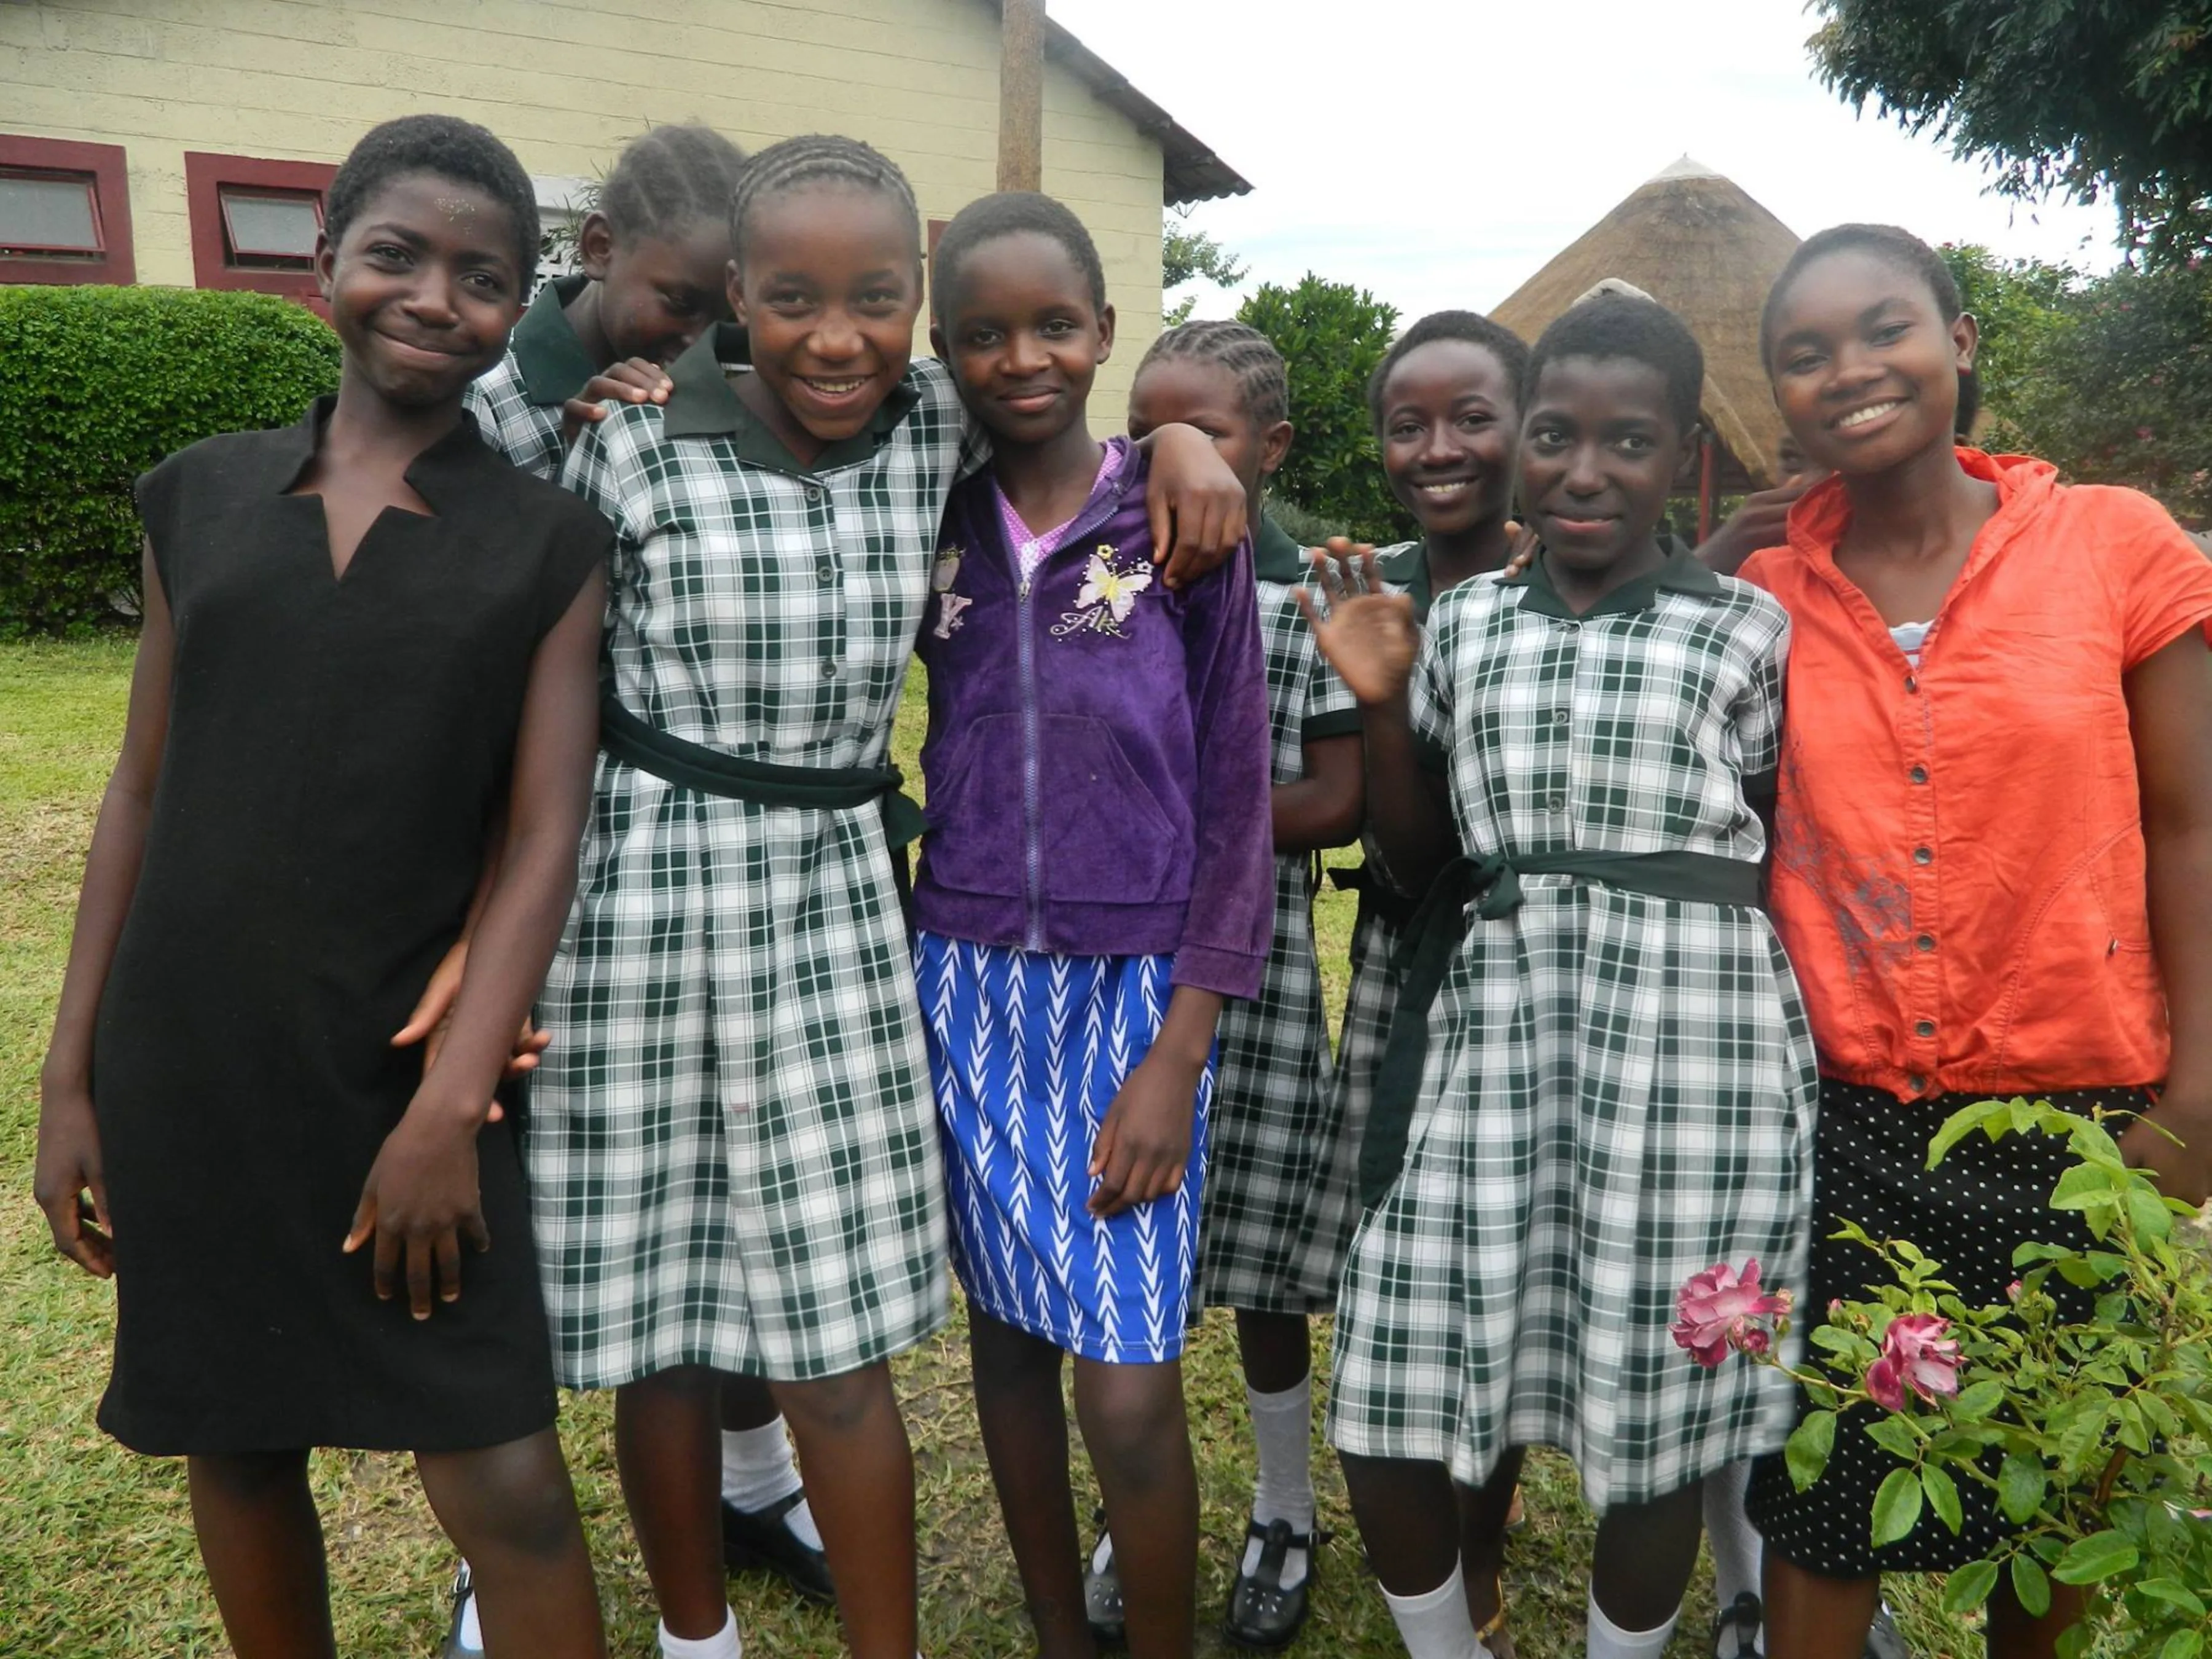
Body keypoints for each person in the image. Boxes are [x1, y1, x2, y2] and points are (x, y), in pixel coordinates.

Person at [532, 142, 1249, 1659]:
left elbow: (1232, 774)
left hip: (968, 952)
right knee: (720, 1316)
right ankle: (710, 1622)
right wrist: (576, 360)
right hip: (769, 933)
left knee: (966, 1347)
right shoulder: (691, 442)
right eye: (792, 297)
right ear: (738, 299)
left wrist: (1189, 434)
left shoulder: (1007, 460)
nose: (837, 332)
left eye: (876, 296)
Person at [31, 113, 611, 1659]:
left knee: (507, 1474)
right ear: (325, 264)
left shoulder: (551, 543)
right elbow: (140, 789)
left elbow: (547, 829)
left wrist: (448, 1100)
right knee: (238, 1437)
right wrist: (70, 1074)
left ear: (515, 306)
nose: (434, 297)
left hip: (405, 1075)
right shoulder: (197, 498)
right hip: (193, 1066)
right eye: (397, 255)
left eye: (482, 277)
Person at [1303, 294, 1817, 1659]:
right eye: (1556, 437)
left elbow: (1773, 851)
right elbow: (1417, 866)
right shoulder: (1461, 627)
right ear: (1523, 444)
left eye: (1629, 442)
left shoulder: (1745, 634)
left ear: (1677, 455)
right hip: (1500, 1035)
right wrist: (1376, 697)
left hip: (1698, 1058)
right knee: (1391, 1370)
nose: (1586, 471)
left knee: (1660, 1415)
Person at [1736, 224, 2212, 1659]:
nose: (1850, 371)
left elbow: (2192, 826)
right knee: (1825, 1501)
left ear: (1960, 340)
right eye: (1804, 354)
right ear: (1777, 397)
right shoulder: (1756, 601)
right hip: (1843, 1122)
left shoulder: (2114, 542)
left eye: (1884, 328)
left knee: (2051, 1502)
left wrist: (2194, 1095)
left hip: (2086, 1127)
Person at [909, 189, 1273, 1659]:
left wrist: (1177, 1056)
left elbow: (1239, 799)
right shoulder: (921, 504)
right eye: (982, 334)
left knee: (1123, 1382)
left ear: (1106, 332)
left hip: (1134, 999)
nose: (1020, 358)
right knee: (1005, 1338)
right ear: (941, 350)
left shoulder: (1182, 516)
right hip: (966, 978)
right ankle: (1065, 1631)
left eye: (1054, 325)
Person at [1107, 318, 1363, 1649]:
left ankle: (1282, 1503)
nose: (1171, 448)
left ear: (1270, 447)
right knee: (1116, 1246)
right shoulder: (1109, 573)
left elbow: (1336, 792)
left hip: (1250, 983)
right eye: (1147, 420)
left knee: (1261, 1263)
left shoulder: (1304, 594)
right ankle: (1131, 1499)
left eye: (1202, 427)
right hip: (1107, 977)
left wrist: (1188, 810)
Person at [463, 123, 747, 479]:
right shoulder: (485, 401)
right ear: (600, 247)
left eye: (727, 318)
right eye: (680, 303)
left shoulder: (719, 401)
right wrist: (584, 467)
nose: (700, 344)